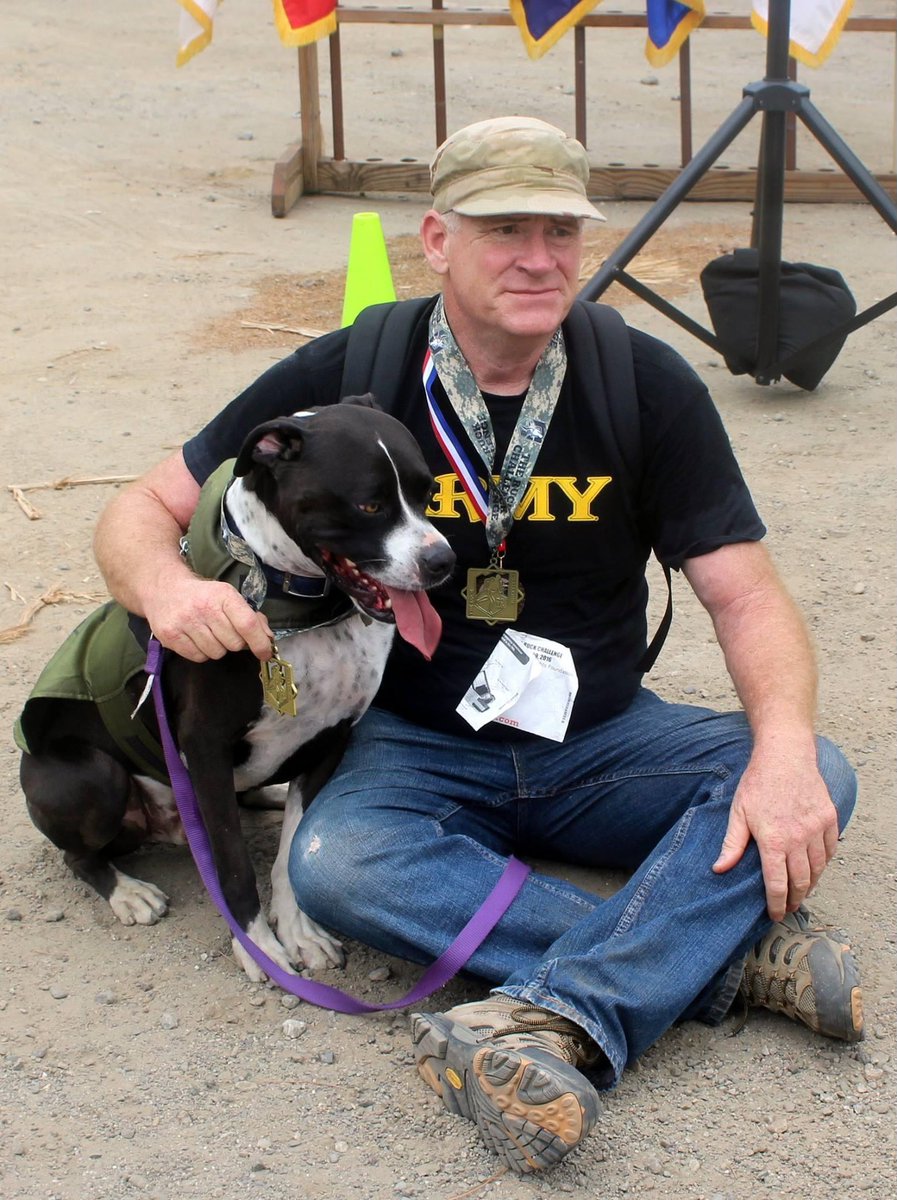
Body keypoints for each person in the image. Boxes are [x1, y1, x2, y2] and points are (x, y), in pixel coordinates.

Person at [94, 116, 861, 1175]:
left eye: (561, 229)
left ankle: (575, 1003)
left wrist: (778, 757)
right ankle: (720, 958)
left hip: (601, 737)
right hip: (414, 746)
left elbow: (747, 596)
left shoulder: (645, 384)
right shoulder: (351, 370)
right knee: (335, 865)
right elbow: (139, 506)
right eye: (505, 229)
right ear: (438, 240)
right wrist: (167, 587)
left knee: (812, 763)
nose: (539, 258)